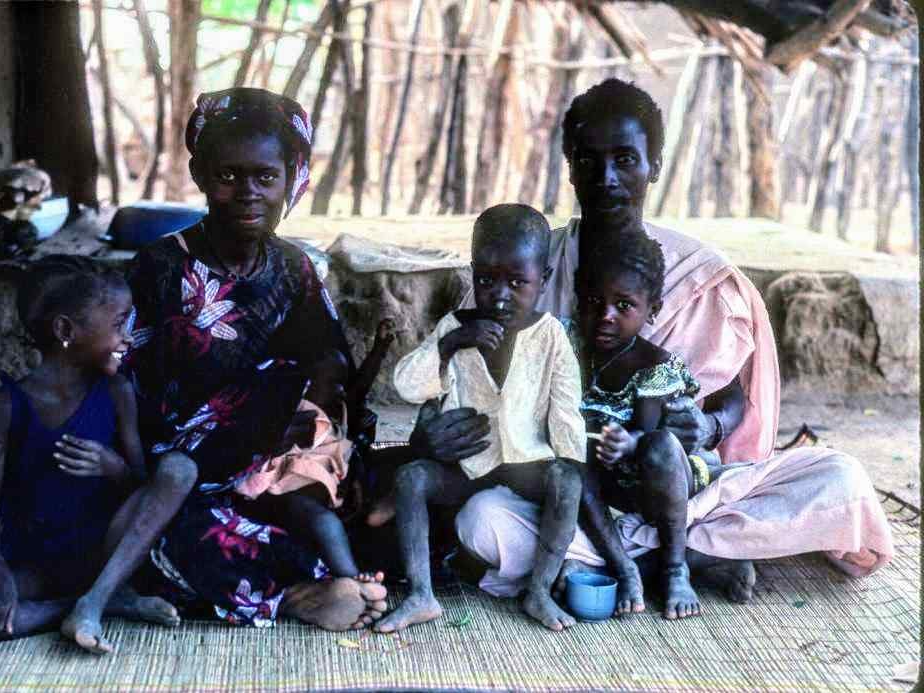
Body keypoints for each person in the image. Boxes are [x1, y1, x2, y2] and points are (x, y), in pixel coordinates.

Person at [451, 78, 894, 610]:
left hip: (684, 486)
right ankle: (692, 558)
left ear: (653, 166)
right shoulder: (534, 267)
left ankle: (635, 557)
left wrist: (708, 425)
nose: (607, 178)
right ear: (569, 166)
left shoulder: (699, 272)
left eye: (625, 160)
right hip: (573, 487)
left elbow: (731, 400)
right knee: (481, 521)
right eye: (589, 161)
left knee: (840, 480)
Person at [123, 87, 386, 632]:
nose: (248, 193)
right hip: (182, 473)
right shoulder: (160, 267)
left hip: (276, 471)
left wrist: (318, 432)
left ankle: (322, 578)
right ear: (199, 176)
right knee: (157, 525)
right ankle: (300, 595)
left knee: (369, 504)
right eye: (228, 176)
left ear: (293, 178)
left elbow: (330, 367)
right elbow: (122, 386)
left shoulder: (296, 269)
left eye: (266, 178)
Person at [375, 203, 640, 634]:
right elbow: (406, 384)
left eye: (518, 282)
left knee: (568, 478)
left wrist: (569, 469)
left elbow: (565, 408)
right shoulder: (456, 326)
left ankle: (539, 589)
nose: (499, 295)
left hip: (526, 465)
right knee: (411, 478)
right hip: (469, 466)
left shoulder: (550, 335)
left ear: (545, 279)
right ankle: (422, 595)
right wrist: (452, 344)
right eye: (485, 279)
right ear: (472, 273)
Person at [0, 255, 197, 655]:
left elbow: (139, 487)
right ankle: (99, 604)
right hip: (35, 563)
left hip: (103, 552)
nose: (128, 337)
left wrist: (112, 467)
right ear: (66, 330)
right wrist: (0, 582)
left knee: (180, 470)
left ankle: (94, 601)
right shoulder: (9, 405)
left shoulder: (117, 393)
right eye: (118, 324)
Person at [574, 225, 742, 619]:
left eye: (624, 305)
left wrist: (628, 444)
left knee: (661, 445)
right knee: (568, 463)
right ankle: (626, 567)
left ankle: (674, 567)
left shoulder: (655, 366)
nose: (606, 316)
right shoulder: (566, 344)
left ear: (651, 310)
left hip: (657, 482)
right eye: (595, 301)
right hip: (602, 489)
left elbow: (650, 436)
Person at [231, 321, 396, 579]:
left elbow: (358, 389)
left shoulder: (335, 412)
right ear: (305, 386)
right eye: (331, 383)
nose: (340, 390)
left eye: (342, 383)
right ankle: (353, 581)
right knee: (325, 524)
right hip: (290, 495)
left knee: (344, 517)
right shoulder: (297, 412)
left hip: (324, 495)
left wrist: (379, 350)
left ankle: (354, 576)